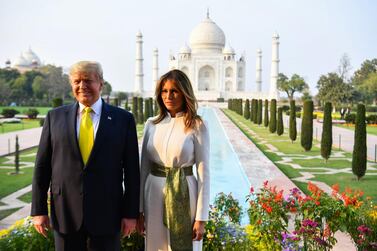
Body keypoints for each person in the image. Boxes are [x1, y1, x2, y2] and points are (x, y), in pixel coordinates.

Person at [31, 61, 140, 251]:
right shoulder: (54, 117)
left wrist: (130, 214)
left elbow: (132, 172)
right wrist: (39, 210)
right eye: (77, 81)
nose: (82, 86)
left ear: (101, 83)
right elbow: (42, 167)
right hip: (65, 213)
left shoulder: (123, 120)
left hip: (107, 214)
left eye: (88, 80)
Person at [137, 69, 210, 251]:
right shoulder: (151, 124)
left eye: (174, 91)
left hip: (185, 192)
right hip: (153, 193)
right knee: (155, 245)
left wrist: (201, 217)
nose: (168, 96)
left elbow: (204, 173)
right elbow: (144, 168)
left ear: (185, 93)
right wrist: (139, 211)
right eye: (164, 91)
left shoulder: (196, 125)